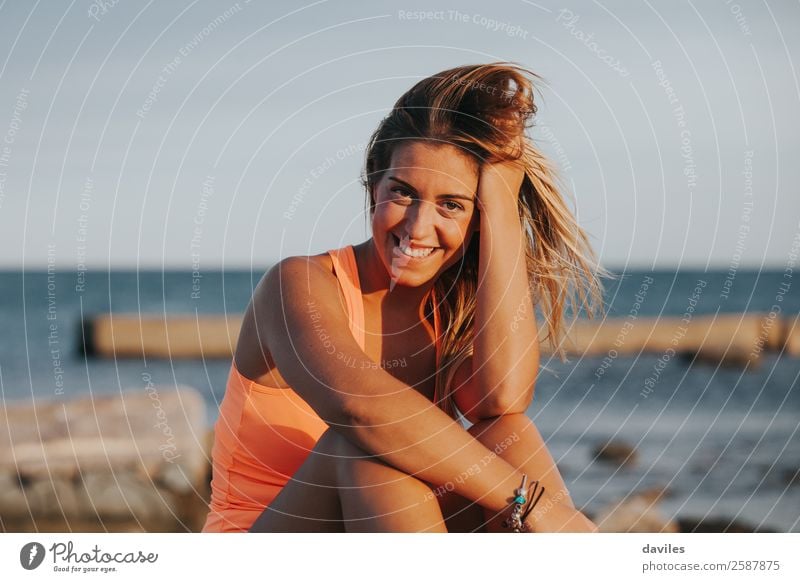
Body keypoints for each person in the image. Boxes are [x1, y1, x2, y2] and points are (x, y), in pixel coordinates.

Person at [202, 62, 609, 533]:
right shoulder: (299, 284)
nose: (417, 228)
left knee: (506, 434)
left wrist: (500, 200)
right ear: (374, 183)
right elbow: (361, 409)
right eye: (403, 193)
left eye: (451, 204)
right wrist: (539, 509)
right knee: (362, 447)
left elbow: (501, 401)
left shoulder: (451, 309)